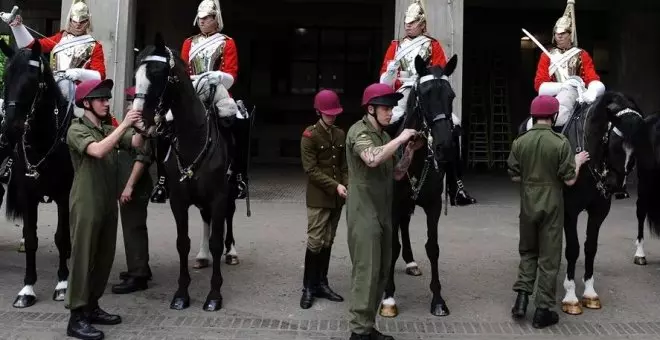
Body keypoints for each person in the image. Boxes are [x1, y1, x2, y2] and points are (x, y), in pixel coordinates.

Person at [65, 79, 145, 340]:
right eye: (101, 98)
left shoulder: (108, 128)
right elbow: (98, 151)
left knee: (104, 258)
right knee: (82, 258)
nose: (106, 102)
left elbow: (134, 143)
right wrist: (124, 123)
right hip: (86, 202)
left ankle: (92, 306)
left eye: (107, 98)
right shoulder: (77, 129)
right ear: (86, 102)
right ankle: (76, 317)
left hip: (107, 202)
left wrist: (145, 127)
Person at [345, 83, 423, 340]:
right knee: (366, 272)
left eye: (392, 108)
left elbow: (397, 173)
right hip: (364, 213)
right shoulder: (359, 132)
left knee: (380, 273)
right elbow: (371, 159)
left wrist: (409, 151)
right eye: (386, 108)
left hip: (383, 213)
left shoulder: (386, 137)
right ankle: (358, 332)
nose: (391, 113)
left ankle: (367, 326)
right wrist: (402, 138)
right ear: (370, 109)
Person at [379, 0, 475, 207]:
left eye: (412, 22)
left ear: (422, 24)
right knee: (389, 120)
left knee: (454, 124)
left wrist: (425, 81)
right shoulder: (395, 46)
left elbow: (441, 74)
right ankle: (382, 172)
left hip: (428, 91)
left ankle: (456, 184)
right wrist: (391, 72)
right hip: (404, 90)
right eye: (406, 22)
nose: (408, 25)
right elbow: (383, 81)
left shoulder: (433, 45)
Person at [150, 0, 246, 203]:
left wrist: (217, 77)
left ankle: (237, 174)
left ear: (215, 19)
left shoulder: (227, 42)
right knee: (164, 122)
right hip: (192, 89)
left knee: (236, 119)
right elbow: (184, 69)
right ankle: (162, 179)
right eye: (200, 19)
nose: (202, 22)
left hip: (217, 88)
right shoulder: (188, 43)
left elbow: (231, 73)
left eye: (207, 18)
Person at [507, 95, 589, 329]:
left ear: (533, 116)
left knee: (528, 251)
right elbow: (570, 180)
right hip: (552, 205)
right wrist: (577, 162)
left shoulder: (520, 142)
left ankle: (521, 301)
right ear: (553, 117)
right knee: (549, 258)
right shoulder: (560, 142)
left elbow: (513, 174)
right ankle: (543, 310)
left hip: (528, 204)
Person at [299, 89, 348, 309]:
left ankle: (322, 283)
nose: (332, 116)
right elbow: (311, 170)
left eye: (334, 112)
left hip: (337, 198)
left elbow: (344, 166)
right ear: (319, 112)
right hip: (319, 197)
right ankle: (308, 287)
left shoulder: (340, 134)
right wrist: (336, 186)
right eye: (328, 113)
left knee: (328, 240)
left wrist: (346, 184)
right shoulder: (310, 135)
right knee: (315, 241)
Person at [533, 0, 605, 130]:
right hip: (553, 99)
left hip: (579, 98)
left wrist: (591, 92)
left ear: (570, 35)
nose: (558, 37)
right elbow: (540, 85)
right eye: (556, 33)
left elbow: (592, 78)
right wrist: (564, 86)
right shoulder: (546, 56)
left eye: (563, 34)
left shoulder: (582, 54)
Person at [111, 87, 154, 294]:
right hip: (126, 185)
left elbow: (142, 158)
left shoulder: (145, 125)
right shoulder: (132, 123)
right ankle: (139, 268)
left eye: (131, 101)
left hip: (134, 186)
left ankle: (138, 276)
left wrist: (128, 186)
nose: (130, 105)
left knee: (133, 229)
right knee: (132, 227)